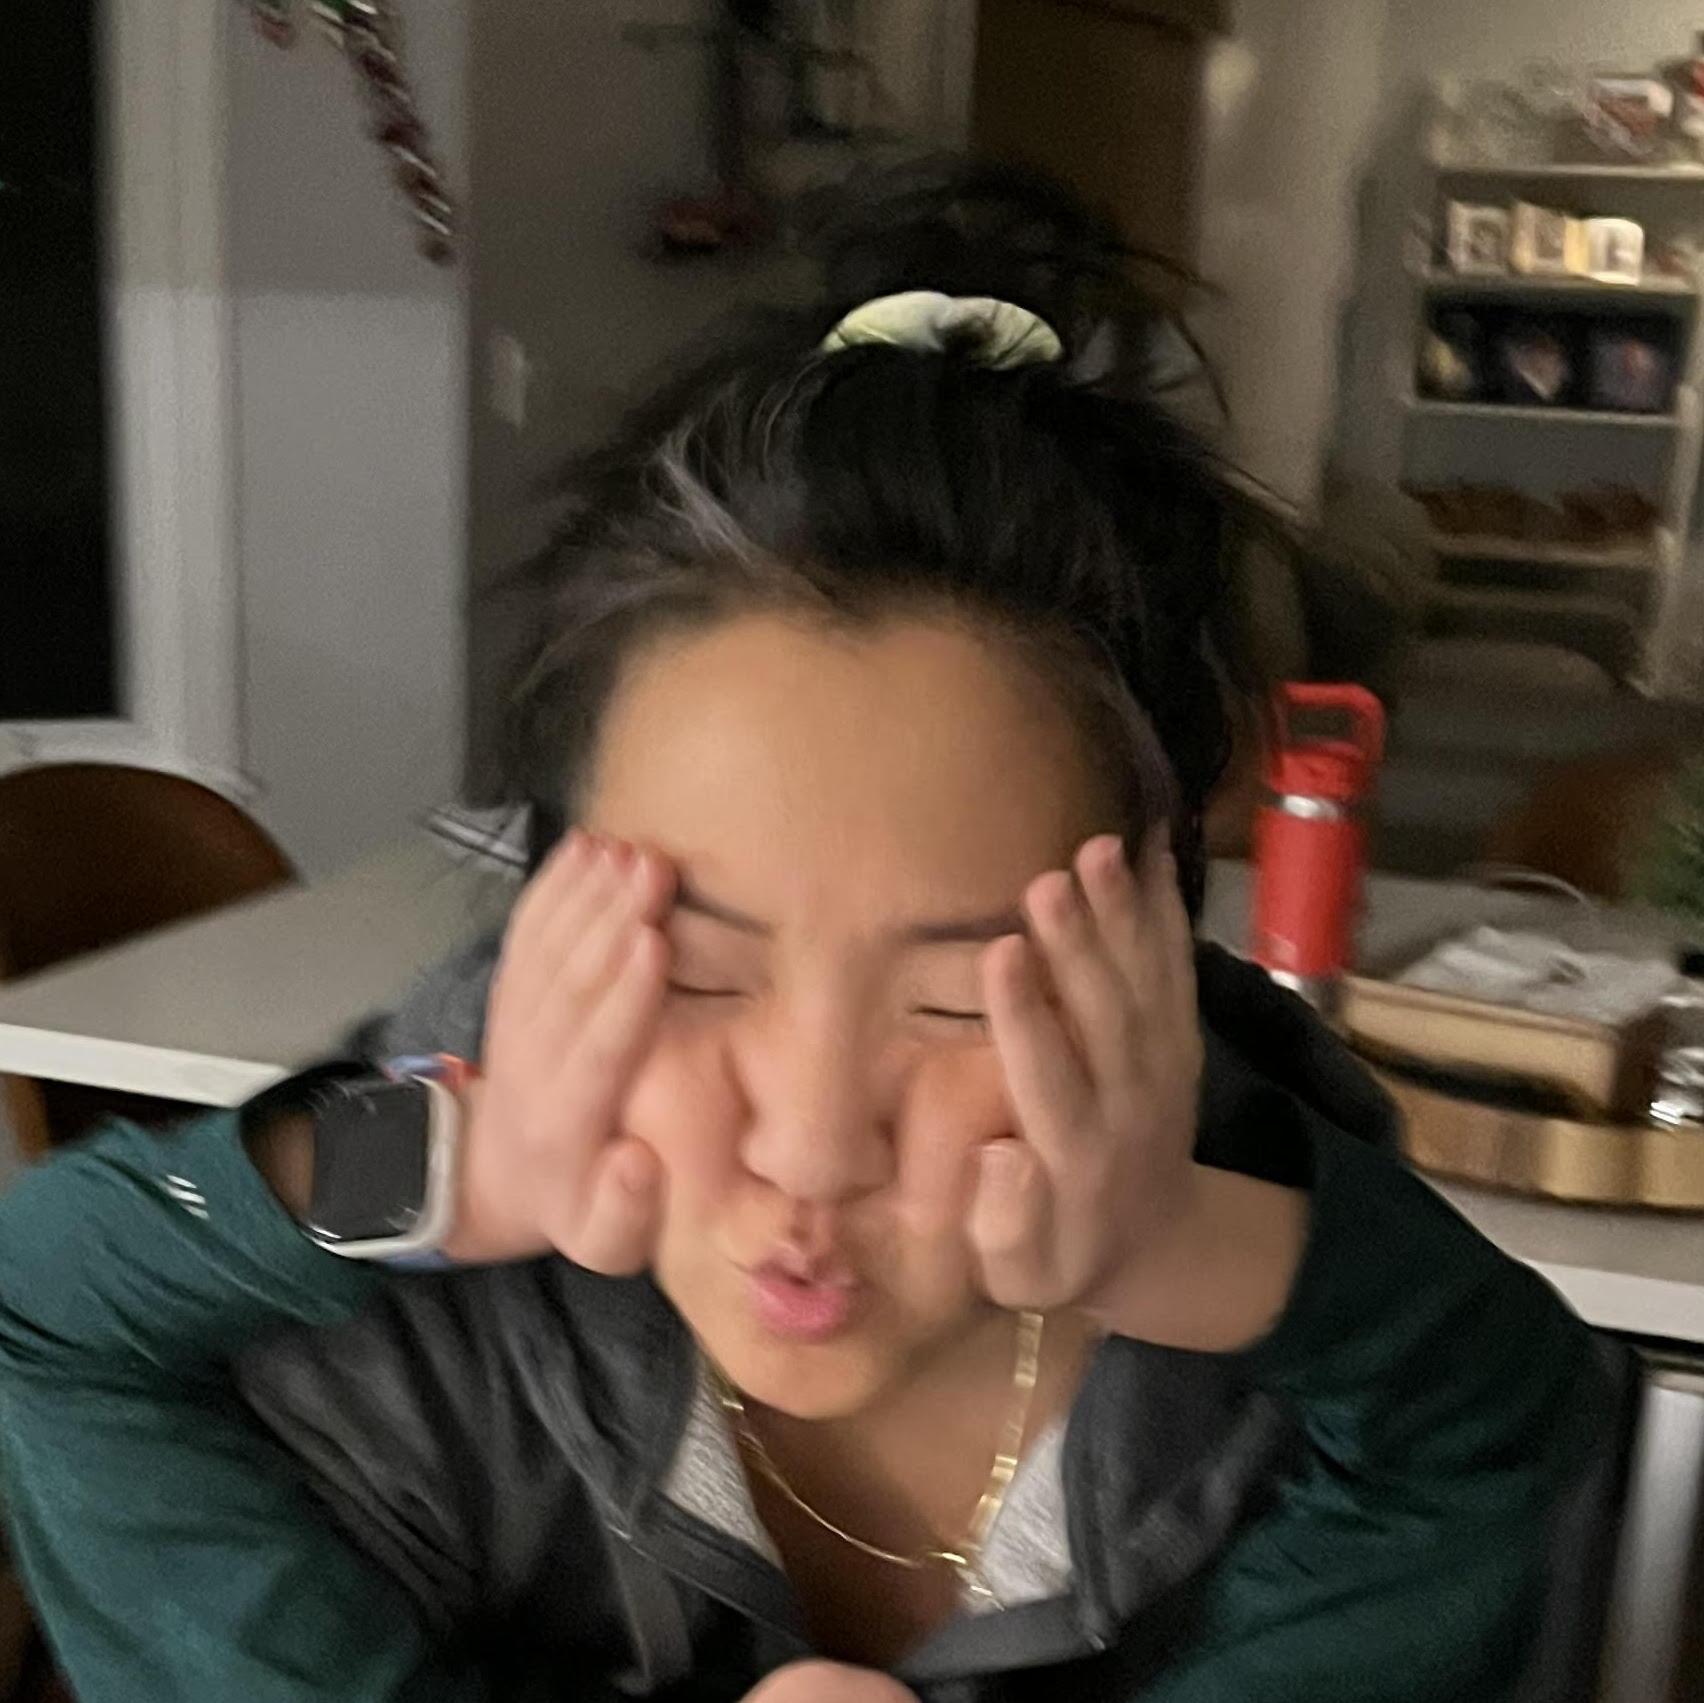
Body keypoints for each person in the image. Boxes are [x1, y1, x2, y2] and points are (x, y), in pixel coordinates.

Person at [0, 168, 1617, 1703]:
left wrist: (1177, 1241)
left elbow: (1503, 1407)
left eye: (961, 997)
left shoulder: (1274, 1381)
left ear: (1150, 956)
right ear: (549, 935)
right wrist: (438, 1168)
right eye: (697, 969)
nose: (813, 1143)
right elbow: (44, 1312)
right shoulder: (425, 1345)